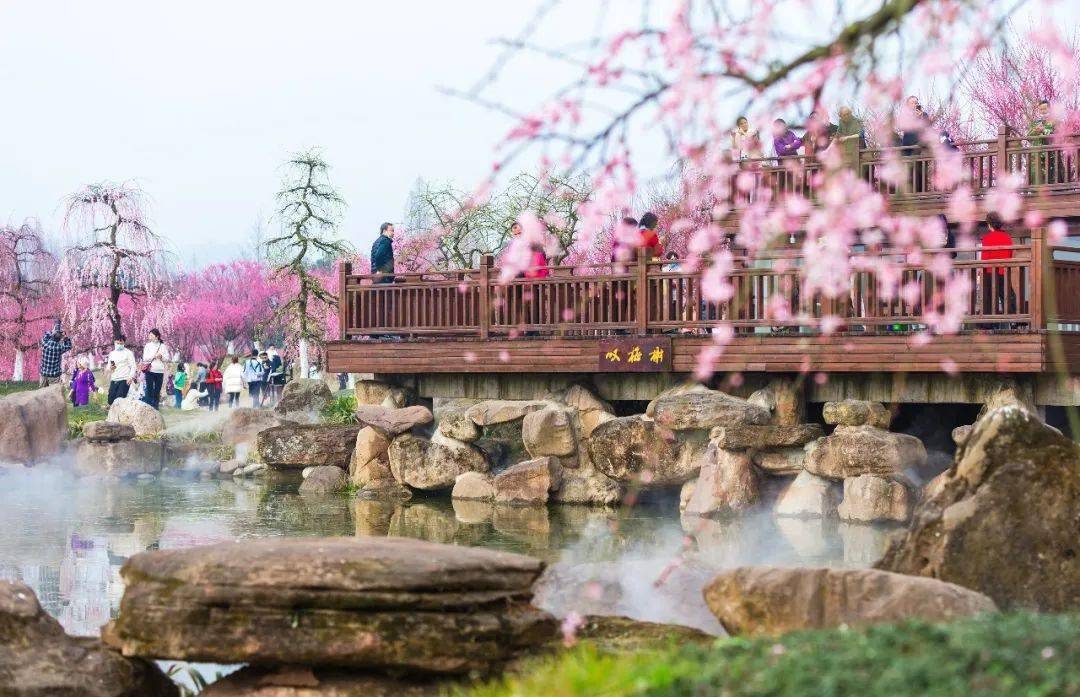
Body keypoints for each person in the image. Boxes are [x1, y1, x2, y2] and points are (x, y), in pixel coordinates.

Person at [979, 212, 1018, 322]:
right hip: (1004, 271)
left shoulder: (987, 239)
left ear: (989, 224)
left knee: (988, 297)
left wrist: (981, 272)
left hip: (990, 273)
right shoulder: (1007, 237)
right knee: (1008, 296)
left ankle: (988, 323)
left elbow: (984, 259)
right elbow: (1010, 254)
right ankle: (1014, 320)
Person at [1028, 99, 1057, 185]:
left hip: (1050, 154)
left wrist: (1044, 130)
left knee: (1051, 177)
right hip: (1037, 154)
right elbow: (1028, 137)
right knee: (1036, 176)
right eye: (1041, 109)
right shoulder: (1035, 122)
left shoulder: (1055, 121)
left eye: (1045, 109)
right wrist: (1035, 131)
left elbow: (1058, 135)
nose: (1043, 111)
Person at [39, 320, 72, 387]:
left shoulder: (45, 344)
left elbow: (44, 337)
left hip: (44, 374)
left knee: (42, 394)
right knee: (54, 394)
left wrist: (52, 332)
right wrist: (66, 339)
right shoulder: (59, 348)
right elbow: (69, 346)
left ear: (52, 336)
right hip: (54, 375)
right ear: (60, 339)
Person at [140, 328, 168, 409]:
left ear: (157, 336)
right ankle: (148, 406)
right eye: (149, 335)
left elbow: (167, 358)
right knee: (149, 389)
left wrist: (161, 356)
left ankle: (155, 407)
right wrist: (154, 356)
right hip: (150, 370)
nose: (149, 336)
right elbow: (145, 358)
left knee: (157, 390)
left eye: (151, 335)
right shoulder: (148, 346)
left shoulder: (163, 346)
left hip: (160, 371)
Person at [106, 335, 137, 405]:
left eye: (121, 343)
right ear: (114, 343)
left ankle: (120, 415)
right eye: (118, 343)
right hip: (114, 379)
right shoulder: (112, 354)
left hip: (124, 379)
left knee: (119, 400)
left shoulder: (128, 353)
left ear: (124, 343)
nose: (119, 345)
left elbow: (133, 366)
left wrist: (130, 377)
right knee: (110, 400)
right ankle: (113, 414)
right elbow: (109, 367)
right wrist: (110, 368)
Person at [836, 107, 866, 172]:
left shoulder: (857, 121)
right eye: (844, 115)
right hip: (847, 151)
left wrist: (847, 137)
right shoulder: (841, 122)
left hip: (859, 149)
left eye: (847, 114)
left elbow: (860, 134)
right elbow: (837, 134)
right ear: (841, 116)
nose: (846, 116)